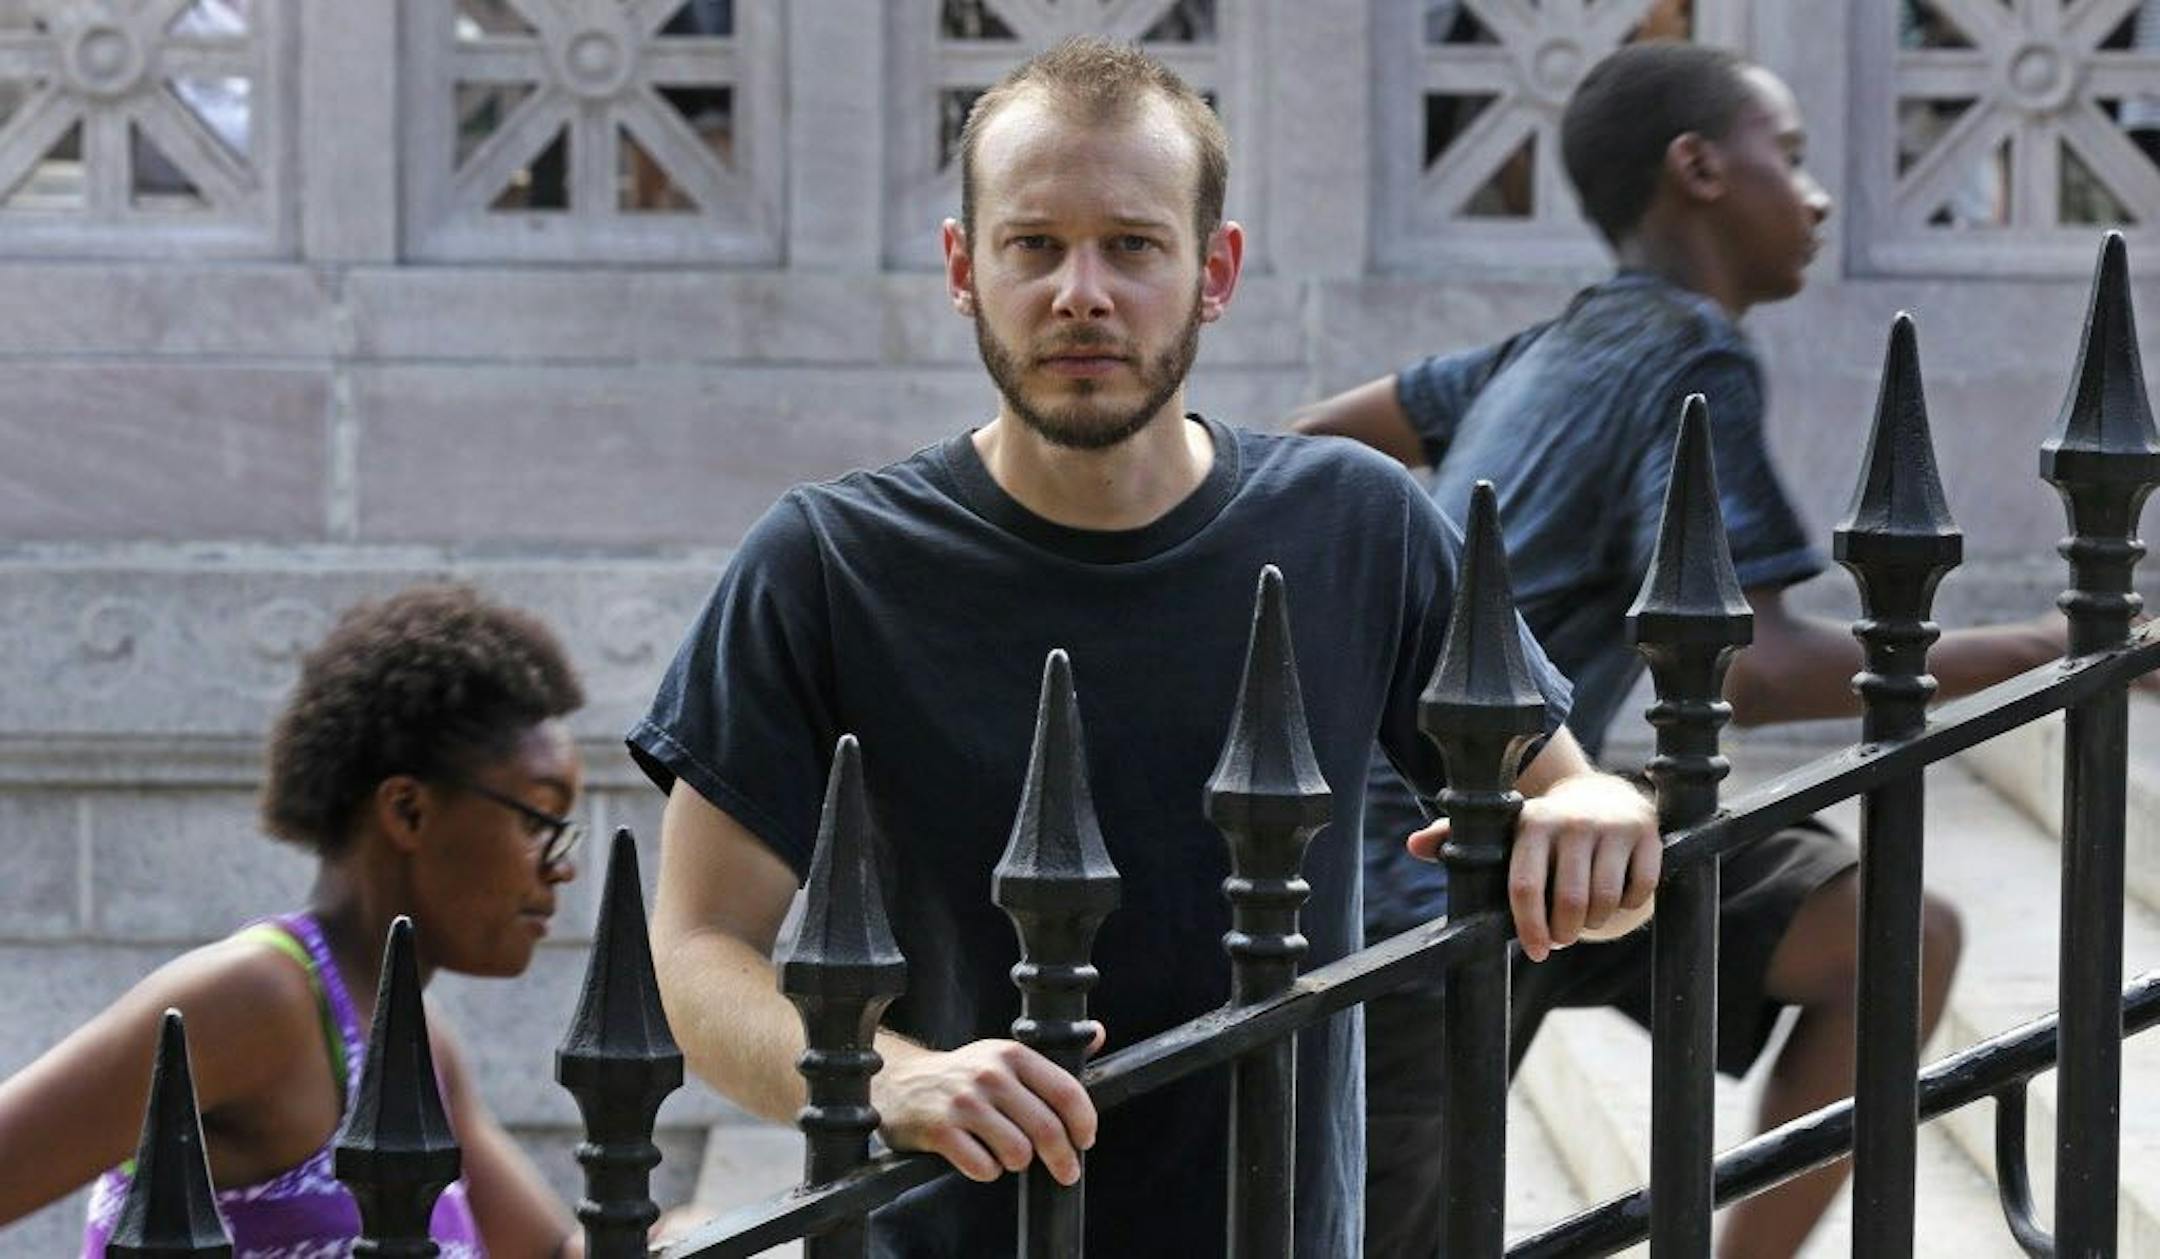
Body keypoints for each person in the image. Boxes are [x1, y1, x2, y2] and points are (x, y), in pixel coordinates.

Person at [629, 36, 1663, 1258]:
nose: (1081, 293)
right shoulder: (824, 561)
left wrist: (1598, 808)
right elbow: (698, 951)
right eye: (1033, 244)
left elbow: (1573, 806)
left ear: (1213, 270)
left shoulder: (1358, 523)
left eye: (1131, 244)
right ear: (964, 268)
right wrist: (891, 1076)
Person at [1290, 41, 2095, 1259]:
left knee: (1892, 931)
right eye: (1795, 154)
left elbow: (1311, 444)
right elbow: (1752, 670)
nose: (1818, 196)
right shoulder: (1683, 353)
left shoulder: (1543, 350)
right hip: (1416, 896)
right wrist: (2057, 641)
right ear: (1700, 168)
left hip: (1552, 842)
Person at [0, 584, 590, 1258]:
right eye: (538, 819)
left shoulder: (422, 1045)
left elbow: (556, 1253)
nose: (560, 865)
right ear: (408, 812)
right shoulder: (258, 998)